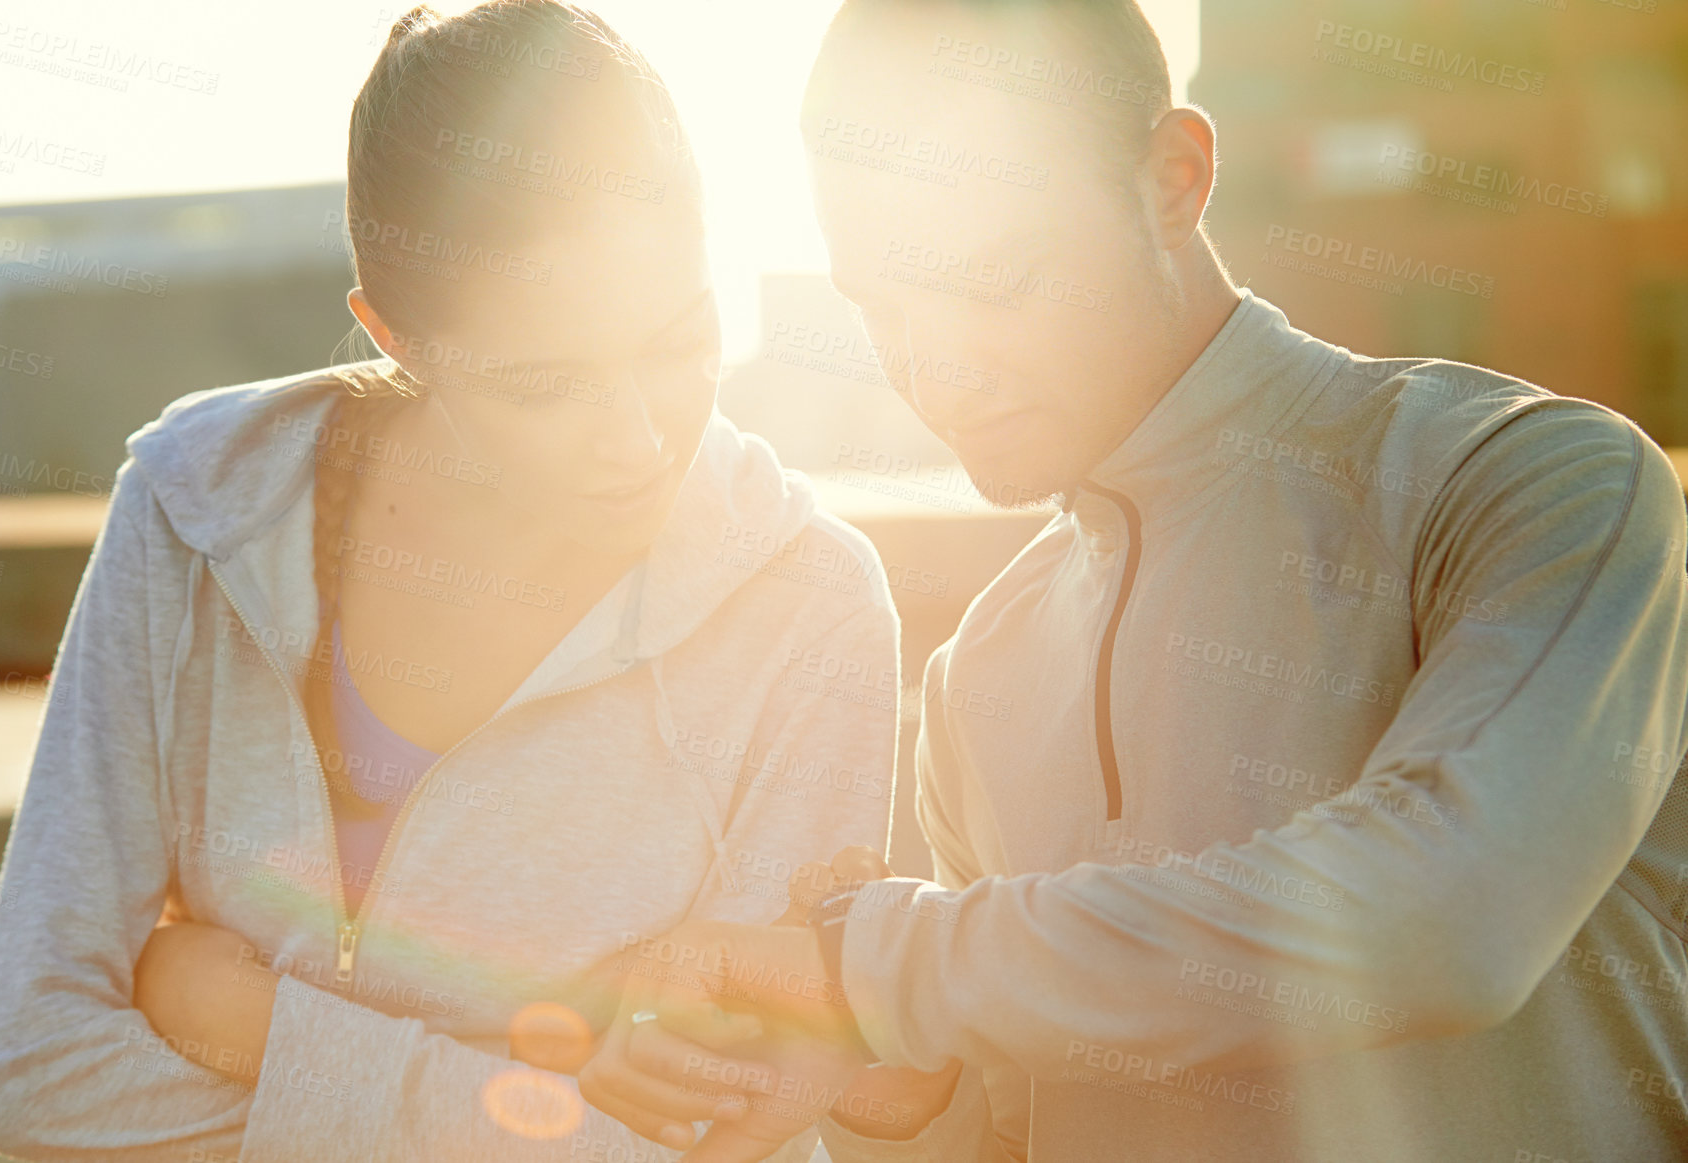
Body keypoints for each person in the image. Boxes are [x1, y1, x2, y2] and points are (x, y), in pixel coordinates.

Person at [564, 2, 1688, 1160]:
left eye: (991, 276)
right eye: (878, 304)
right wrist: (898, 1076)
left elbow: (1448, 910)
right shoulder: (979, 672)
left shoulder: (1533, 483)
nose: (932, 367)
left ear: (1171, 181)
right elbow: (1010, 1115)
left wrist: (875, 966)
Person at [0, 4, 903, 1161]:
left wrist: (255, 1025)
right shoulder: (197, 510)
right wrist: (526, 1081)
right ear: (392, 335)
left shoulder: (808, 606)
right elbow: (36, 1067)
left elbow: (718, 1137)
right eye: (542, 385)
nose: (638, 439)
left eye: (676, 341)